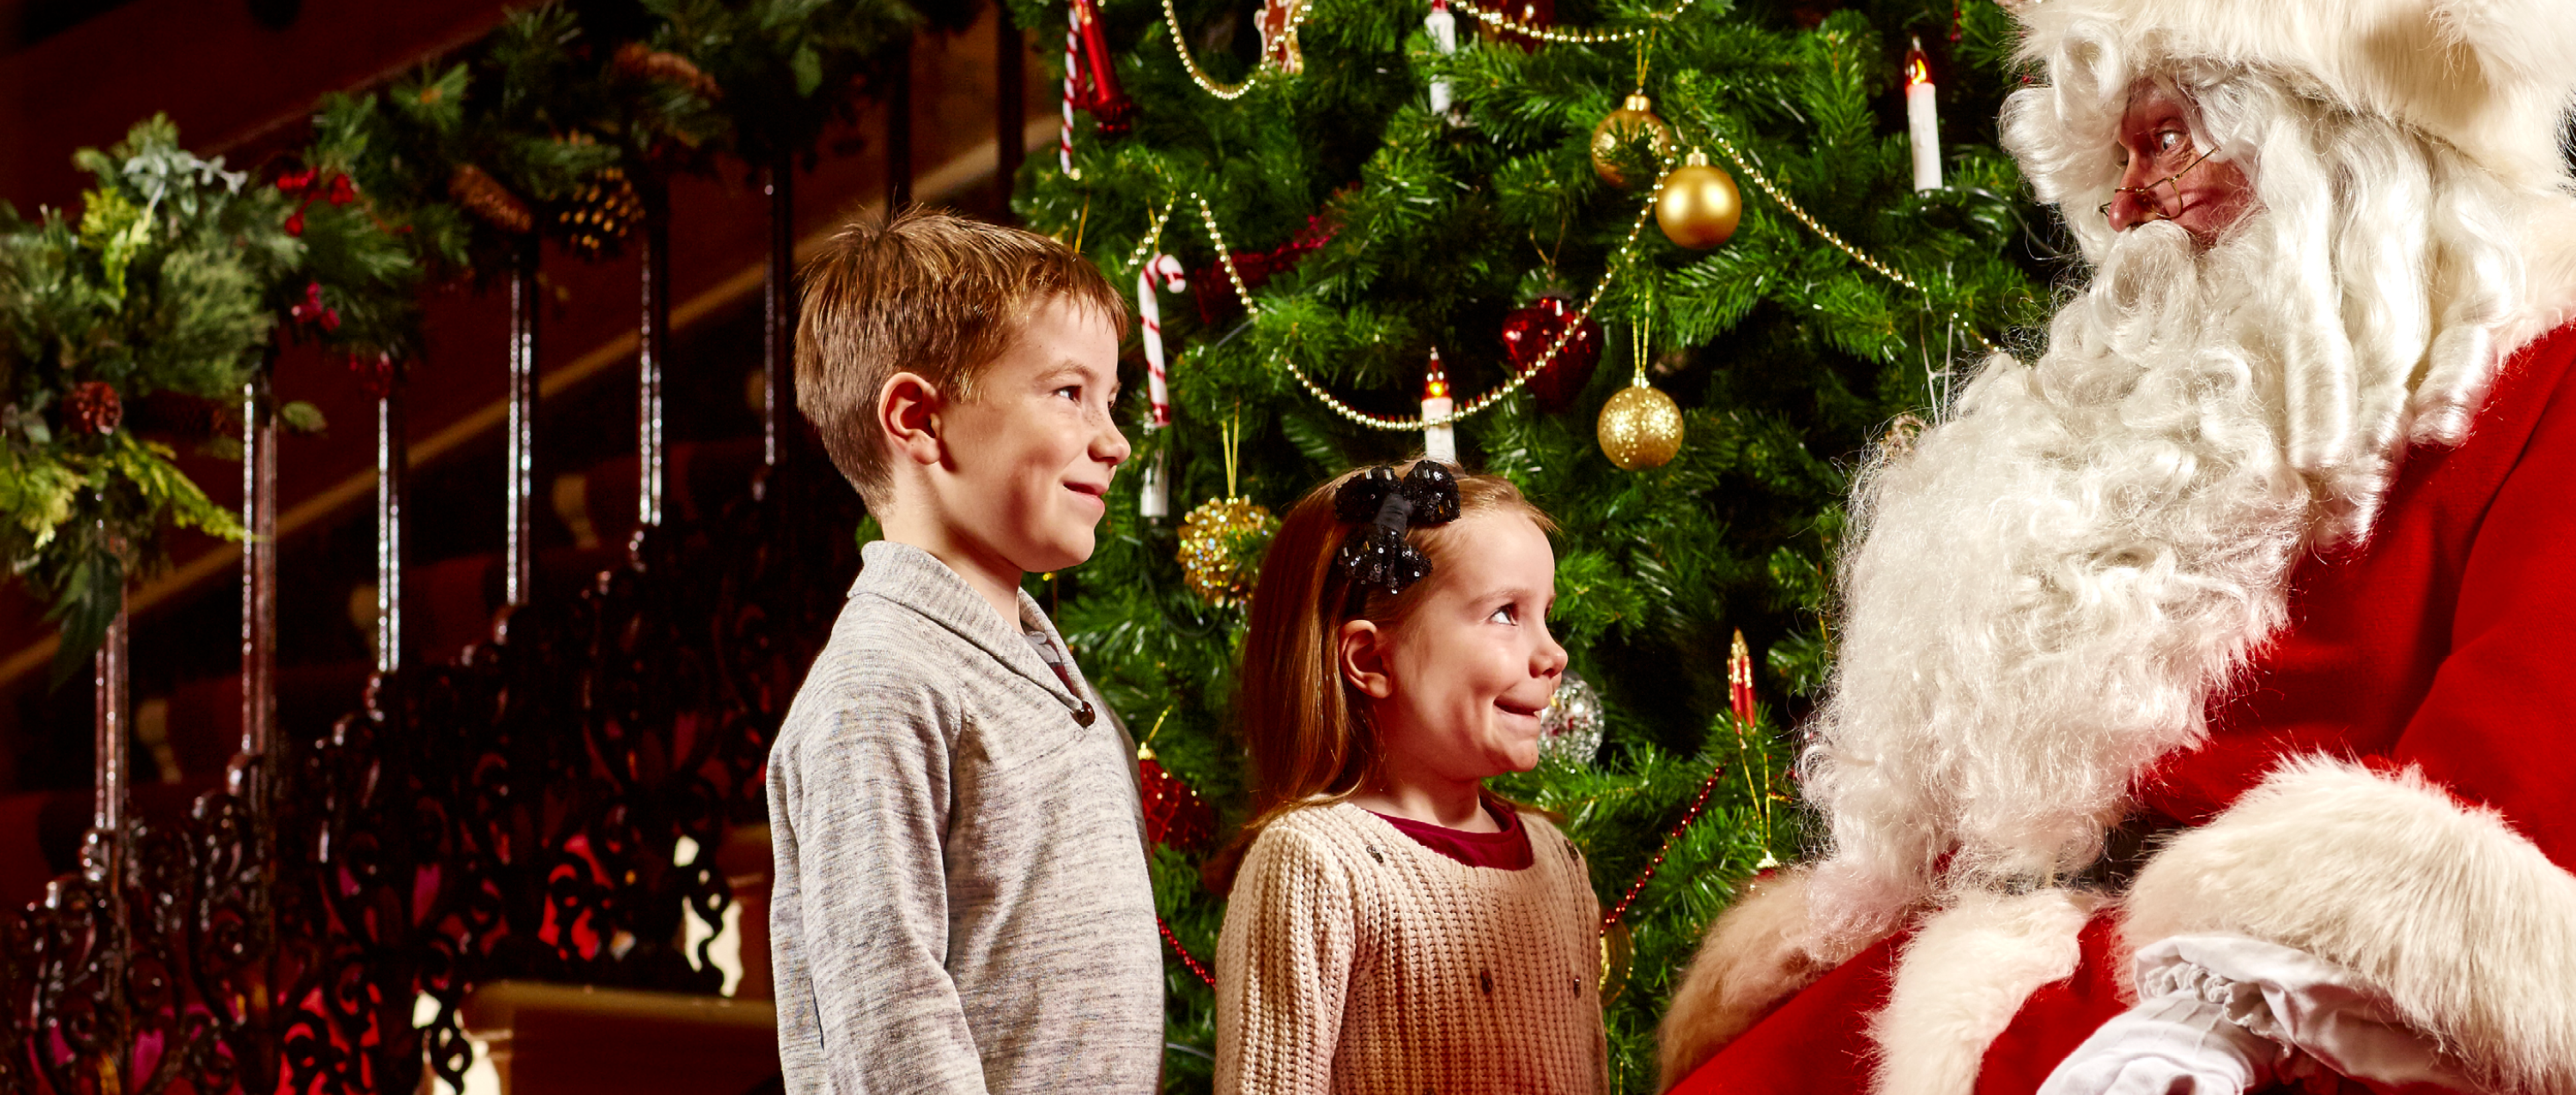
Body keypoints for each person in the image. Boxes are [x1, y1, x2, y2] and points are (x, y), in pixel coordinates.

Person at [1655, 0, 2576, 1092]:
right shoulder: (2198, 421)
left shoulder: (2545, 387)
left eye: (2165, 140)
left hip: (2247, 1013)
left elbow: (2489, 852)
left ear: (2331, 147)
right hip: (2019, 971)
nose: (2125, 204)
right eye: (2120, 160)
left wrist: (2096, 1017)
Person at [765, 209, 1158, 1094]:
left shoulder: (1035, 661)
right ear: (918, 418)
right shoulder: (881, 685)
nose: (1115, 440)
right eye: (1069, 393)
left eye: (1111, 399)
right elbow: (887, 1014)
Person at [1211, 459, 1607, 1094]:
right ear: (1371, 658)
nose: (1553, 654)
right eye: (1506, 613)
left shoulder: (1558, 862)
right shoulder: (1315, 866)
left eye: (1546, 615)